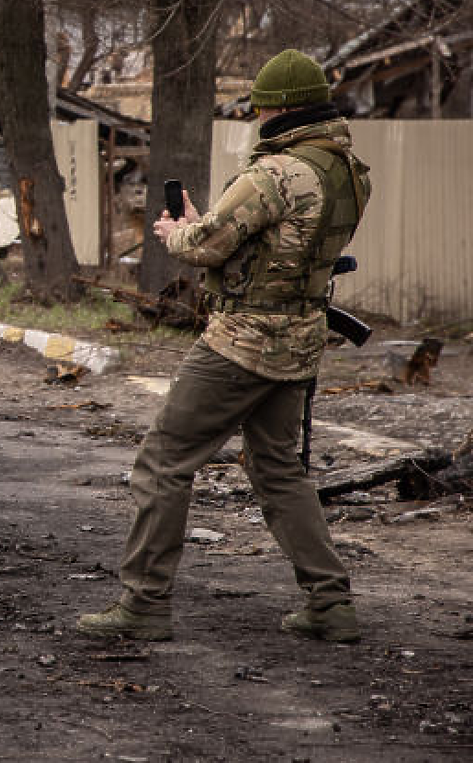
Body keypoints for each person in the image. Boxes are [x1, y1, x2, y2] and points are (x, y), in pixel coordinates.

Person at [78, 50, 370, 644]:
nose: (258, 119)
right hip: (300, 337)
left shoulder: (278, 173)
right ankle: (330, 602)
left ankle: (144, 602)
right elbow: (275, 245)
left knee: (164, 460)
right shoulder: (348, 170)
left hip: (242, 340)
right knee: (279, 469)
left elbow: (206, 246)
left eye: (261, 110)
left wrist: (174, 231)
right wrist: (207, 225)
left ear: (280, 109)